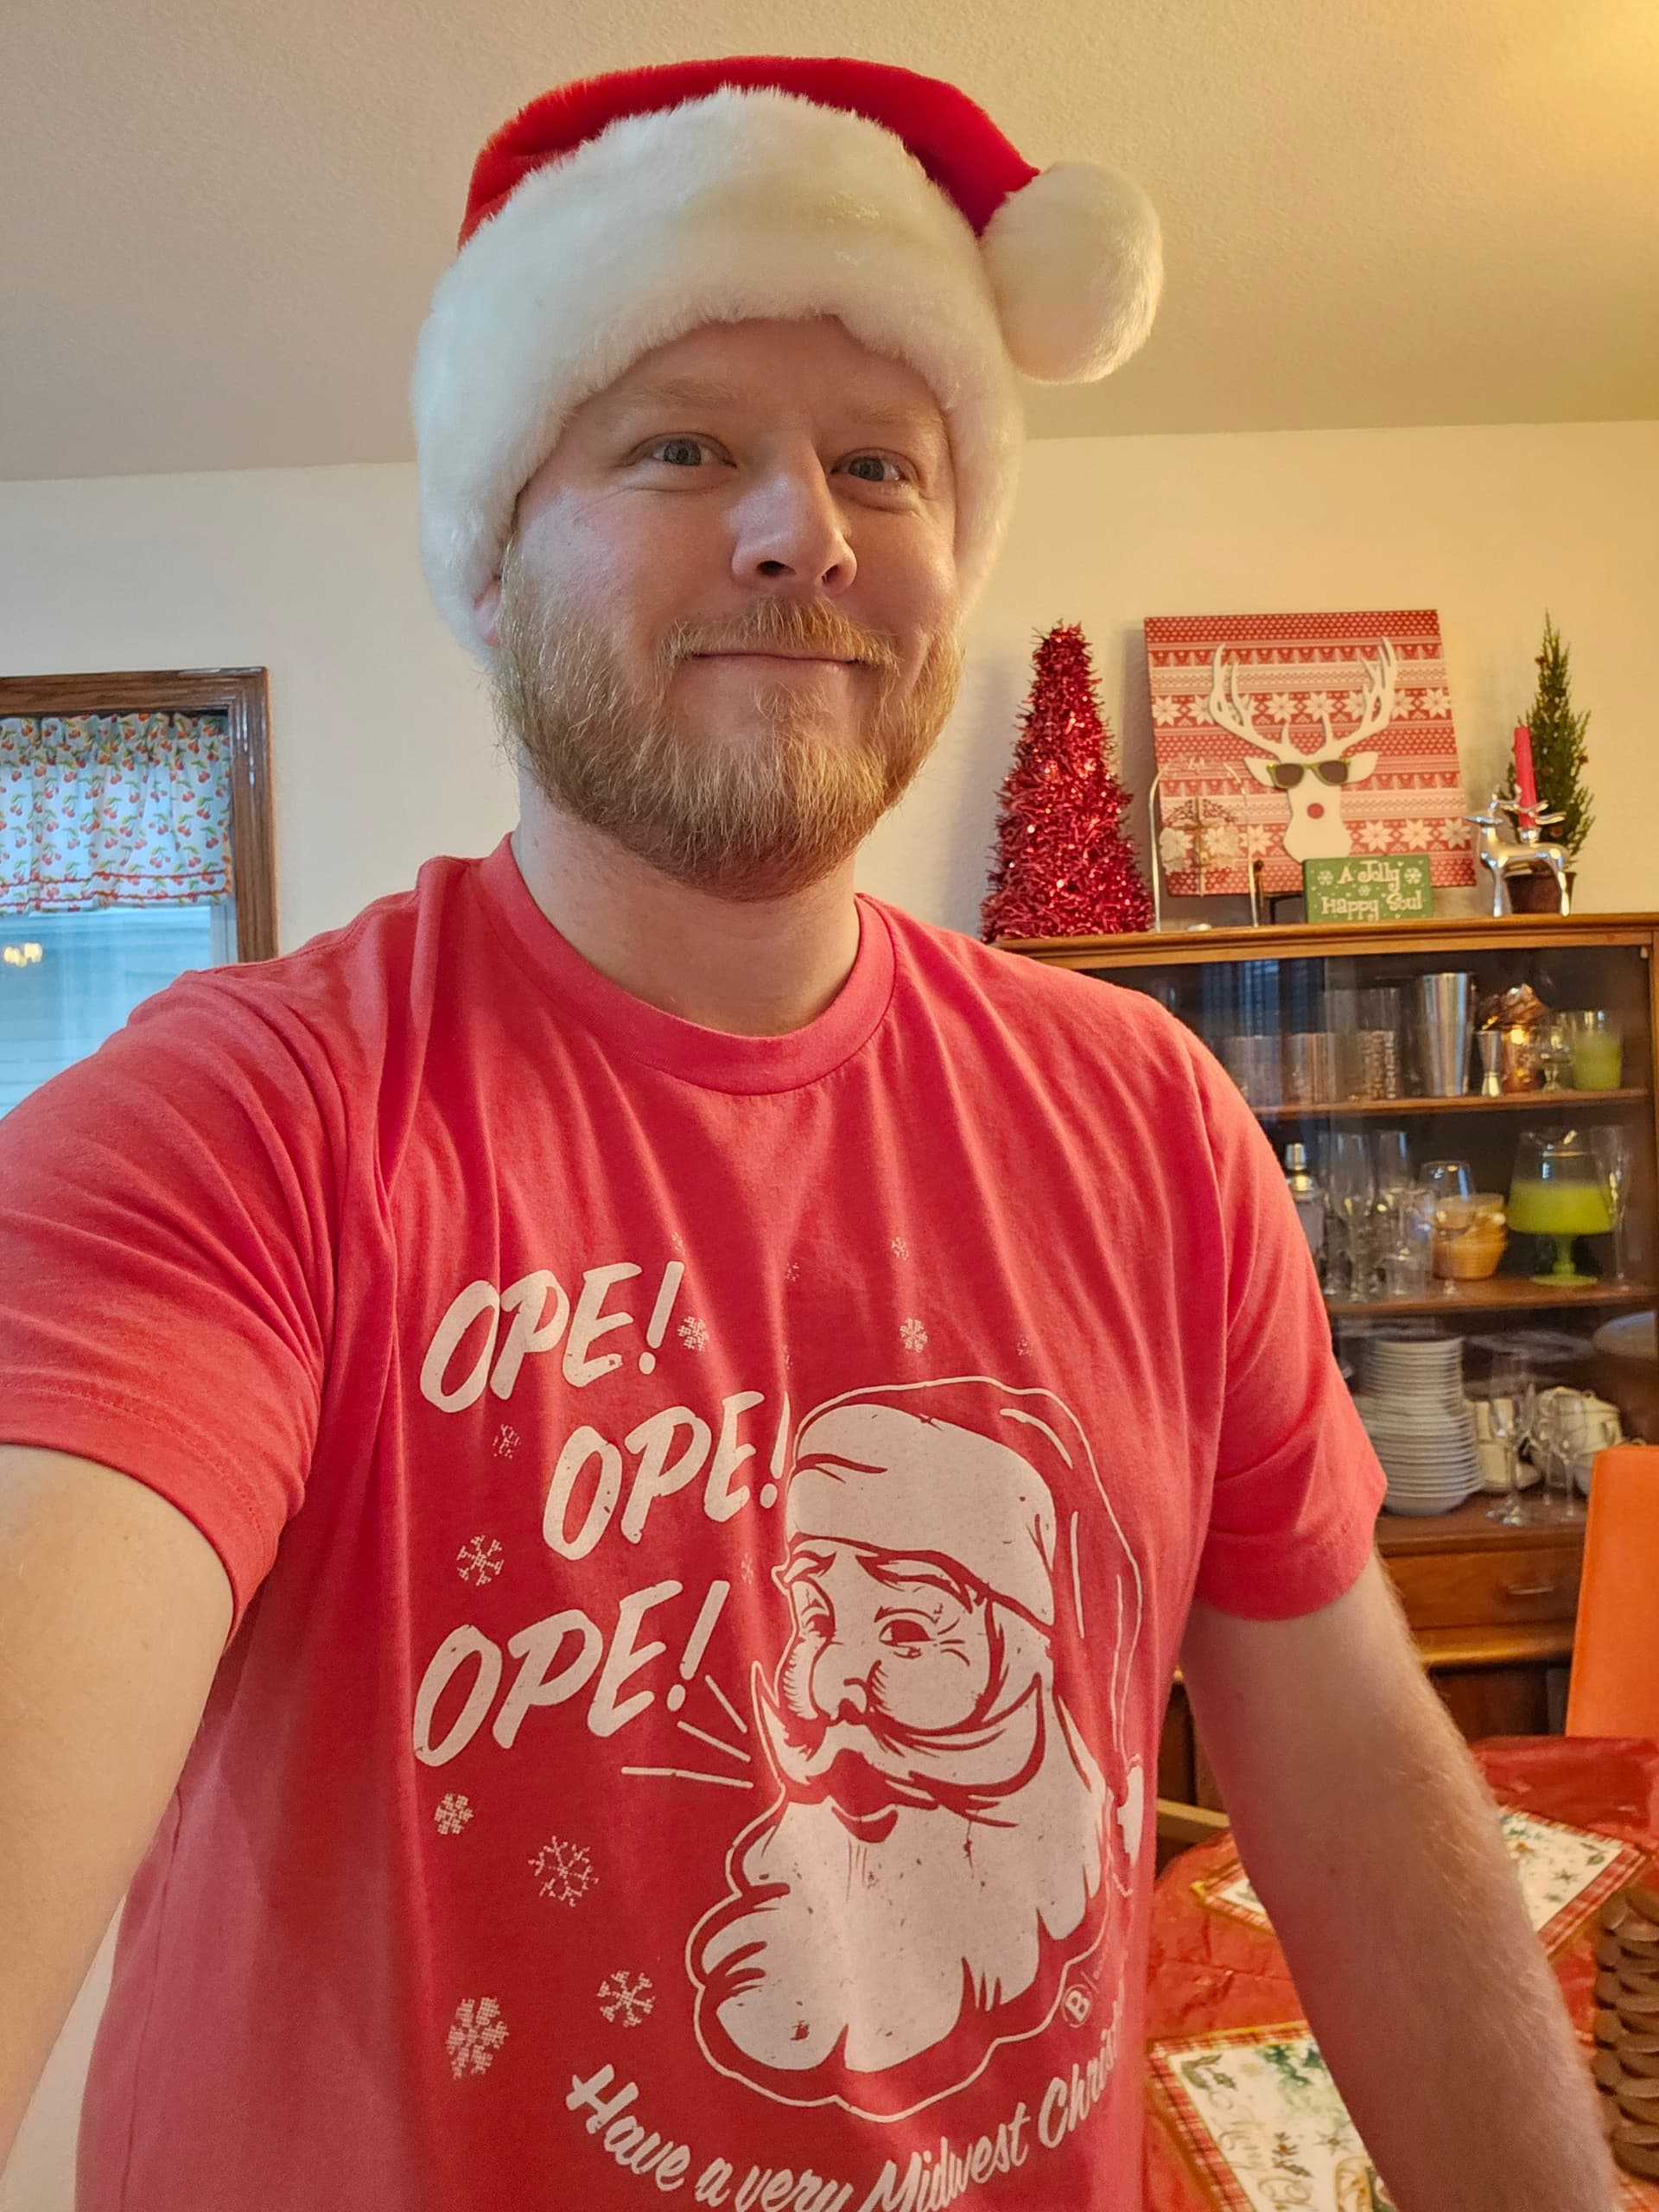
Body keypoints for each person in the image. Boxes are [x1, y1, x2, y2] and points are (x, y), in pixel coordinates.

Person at [0, 53, 1612, 2212]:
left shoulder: (1152, 1120)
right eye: (682, 446)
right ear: (490, 561)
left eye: (881, 464)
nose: (804, 531)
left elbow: (1363, 1808)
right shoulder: (238, 1125)